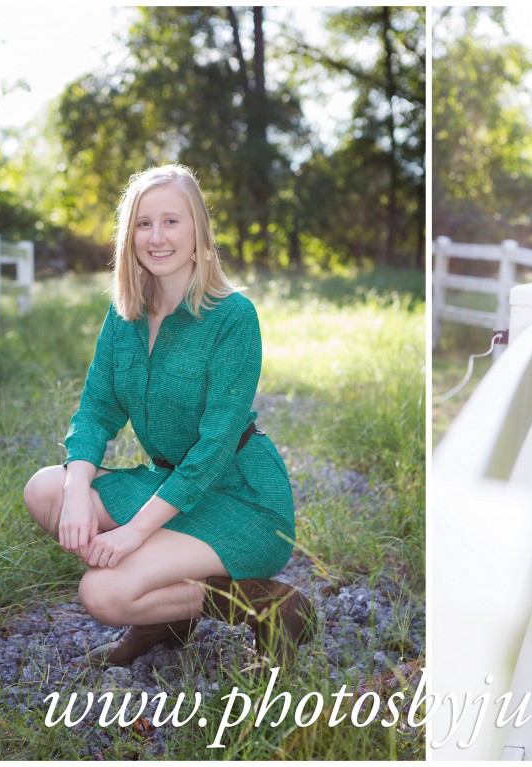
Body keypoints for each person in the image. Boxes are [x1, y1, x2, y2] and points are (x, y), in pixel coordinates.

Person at [23, 164, 314, 669]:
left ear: (198, 231)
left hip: (239, 498)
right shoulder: (125, 314)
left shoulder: (232, 316)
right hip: (170, 484)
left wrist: (133, 534)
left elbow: (212, 449)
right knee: (45, 489)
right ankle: (164, 609)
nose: (156, 237)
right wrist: (76, 492)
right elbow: (95, 409)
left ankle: (260, 603)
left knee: (104, 594)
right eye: (143, 223)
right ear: (128, 234)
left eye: (171, 222)